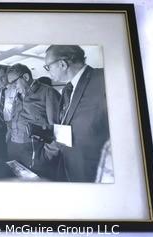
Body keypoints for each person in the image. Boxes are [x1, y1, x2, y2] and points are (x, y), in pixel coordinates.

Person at [41, 45, 110, 182]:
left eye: (48, 66)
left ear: (62, 64)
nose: (48, 72)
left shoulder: (104, 80)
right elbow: (69, 122)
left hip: (93, 171)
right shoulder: (67, 89)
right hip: (69, 166)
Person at [6, 63, 61, 178]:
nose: (12, 87)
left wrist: (47, 156)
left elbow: (58, 129)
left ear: (25, 77)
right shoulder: (18, 95)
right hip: (14, 149)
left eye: (14, 83)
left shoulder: (48, 93)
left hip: (36, 152)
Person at [0, 66, 17, 159]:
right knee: (0, 152)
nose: (0, 81)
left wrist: (11, 128)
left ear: (7, 75)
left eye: (2, 77)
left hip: (11, 127)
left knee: (10, 153)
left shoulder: (16, 89)